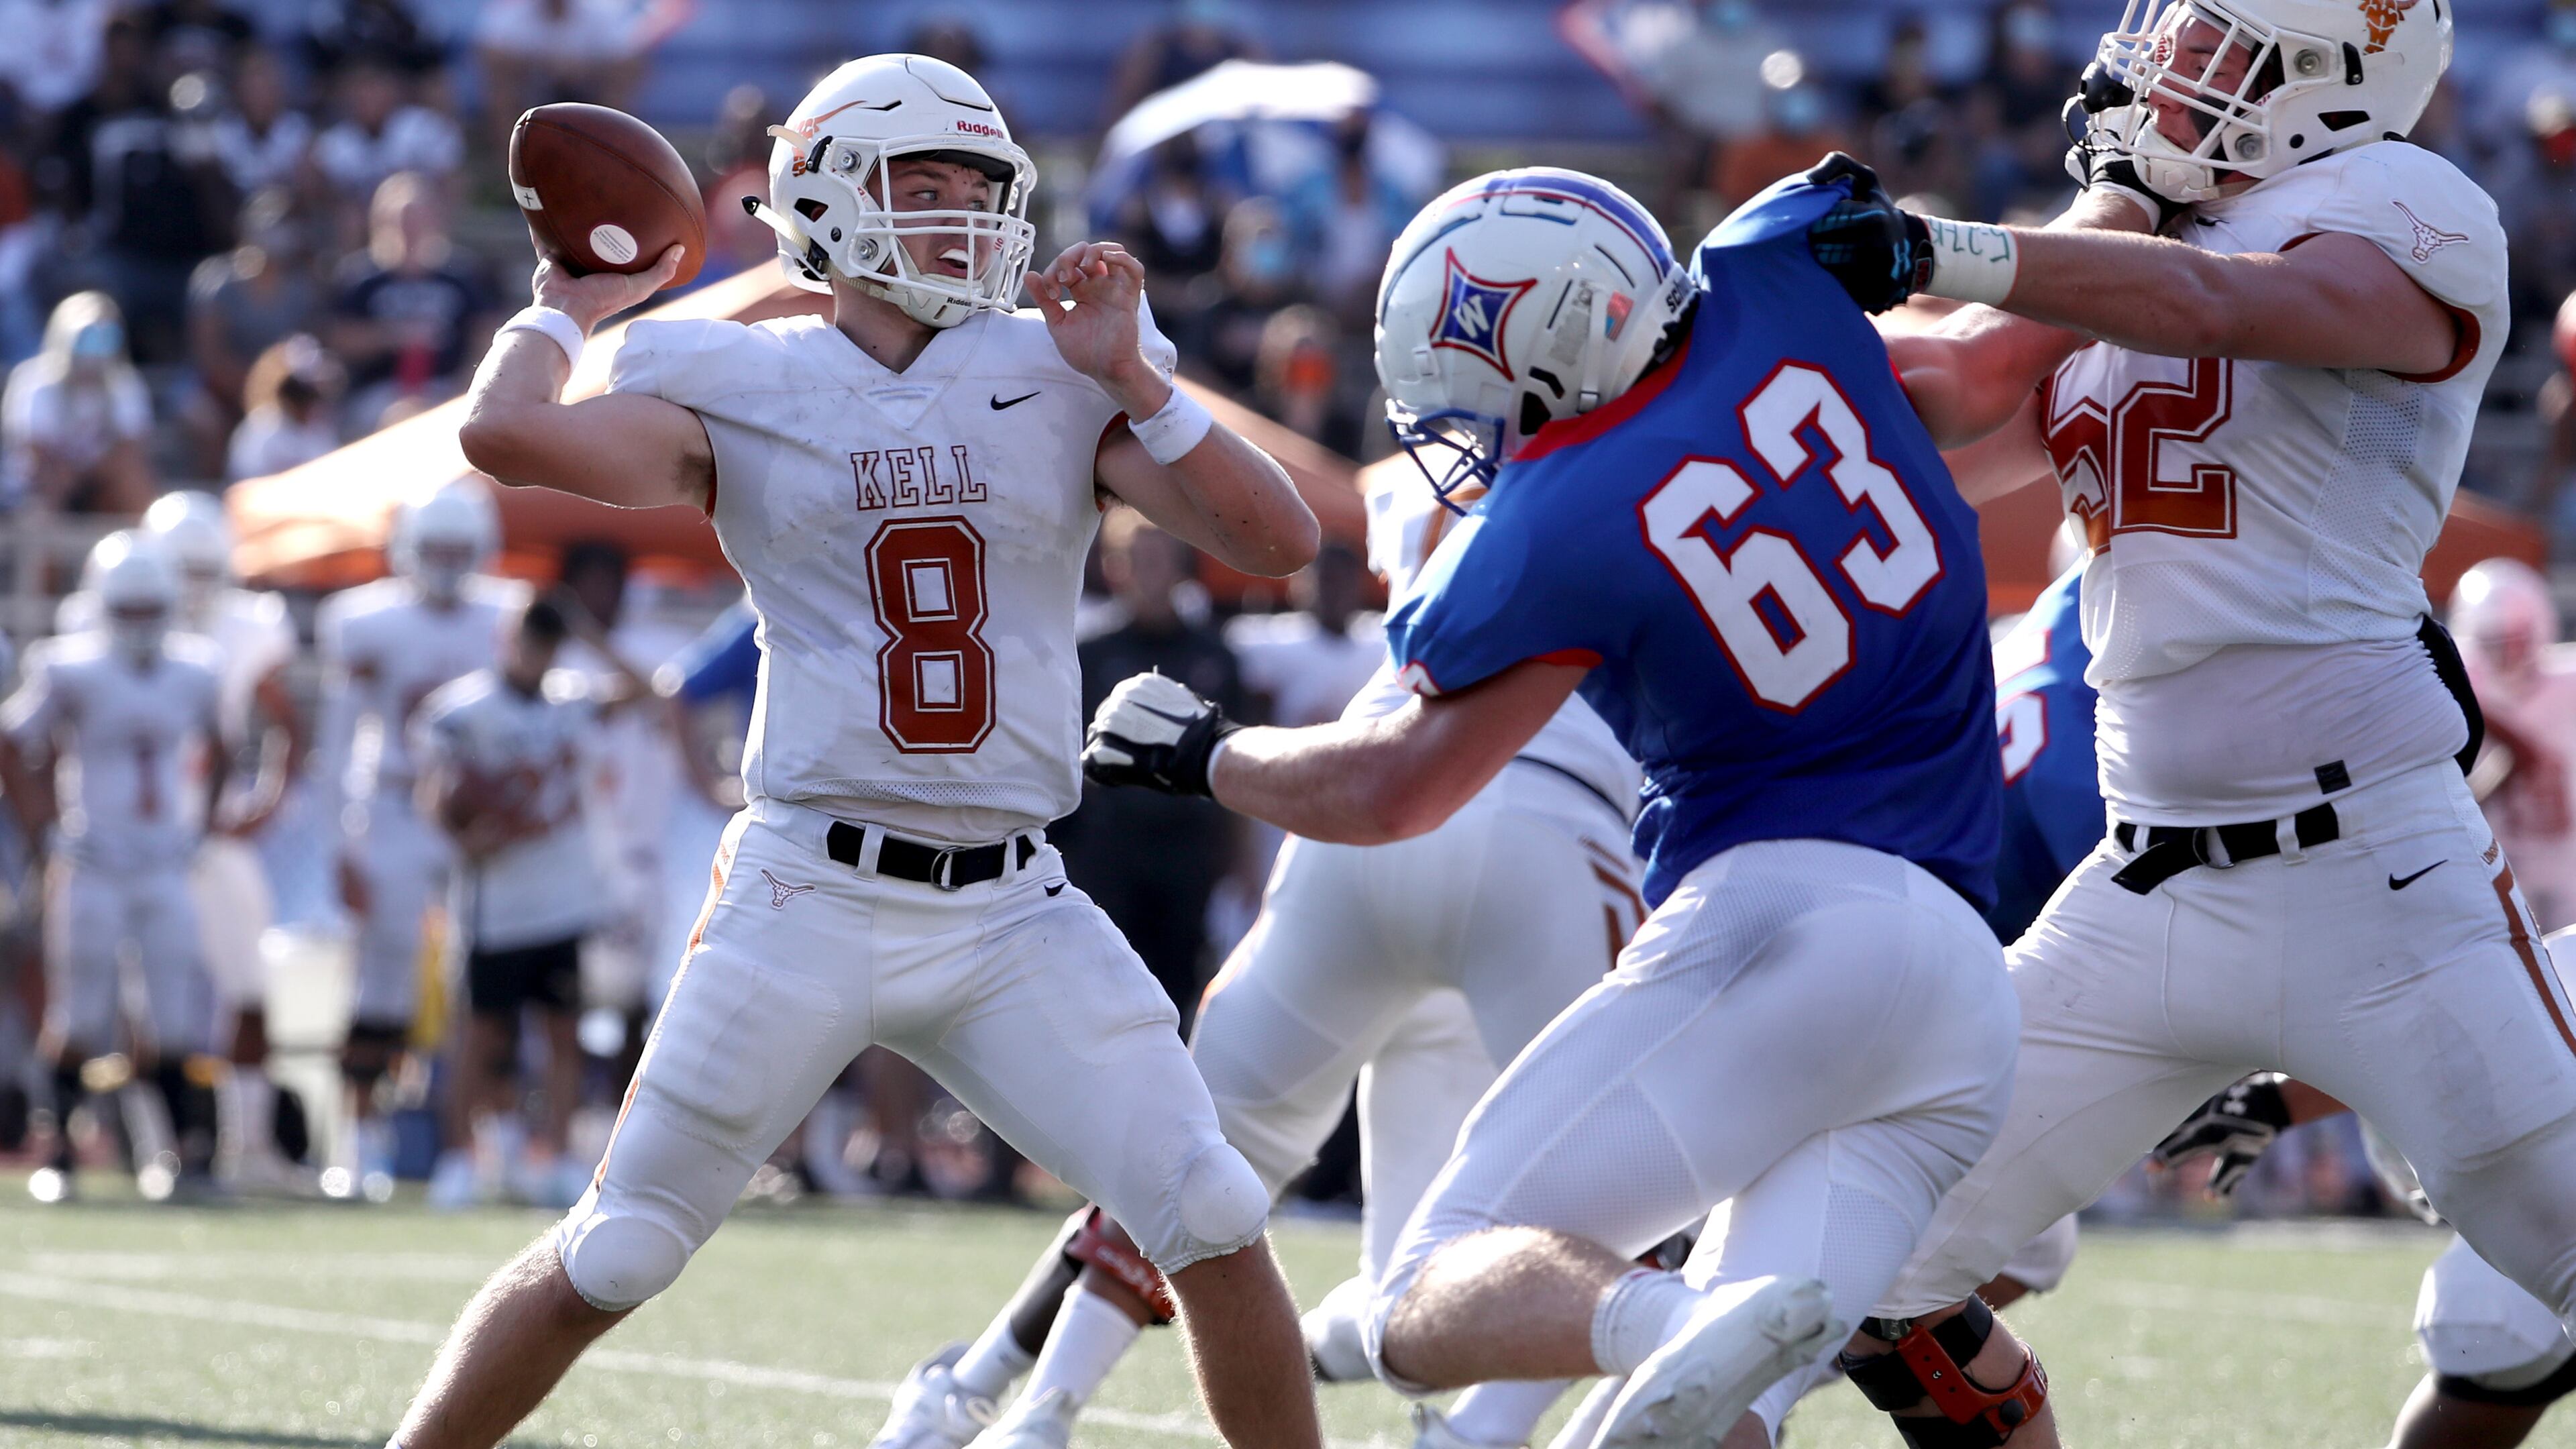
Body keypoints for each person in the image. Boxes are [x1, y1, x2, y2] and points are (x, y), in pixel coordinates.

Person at [381, 52, 1322, 1449]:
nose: (959, 215)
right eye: (922, 183)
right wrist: (568, 305)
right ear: (825, 199)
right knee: (622, 1249)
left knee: (1215, 1212)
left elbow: (1280, 541)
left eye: (976, 186)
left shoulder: (1059, 375)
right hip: (805, 891)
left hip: (1012, 903)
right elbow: (505, 433)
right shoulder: (736, 375)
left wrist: (1142, 381)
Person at [1082, 162, 2015, 1449]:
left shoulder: (1562, 508)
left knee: (1422, 1293)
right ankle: (1686, 1335)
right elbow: (1984, 344)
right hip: (1967, 987)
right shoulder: (1772, 266)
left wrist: (1207, 753)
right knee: (1710, 1419)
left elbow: (1394, 785)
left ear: (1552, 356)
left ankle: (1662, 1320)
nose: (1469, 431)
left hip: (1791, 918)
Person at [1783, 0, 2576, 1440]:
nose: (2172, 77)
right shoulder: (2139, 238)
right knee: (1852, 1262)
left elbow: (2226, 309)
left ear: (2341, 83)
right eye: (2179, 43)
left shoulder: (2407, 204)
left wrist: (1948, 243)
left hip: (2377, 876)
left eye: (2226, 55)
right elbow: (1949, 396)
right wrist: (1735, 328)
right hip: (2146, 885)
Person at [875, 452, 1647, 1449]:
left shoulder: (1407, 482)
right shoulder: (1650, 467)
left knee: (1198, 1170)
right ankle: (1475, 1438)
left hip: (1359, 820)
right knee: (1627, 1199)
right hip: (1554, 826)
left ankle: (1018, 1411)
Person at [59, 491, 307, 1191]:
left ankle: (249, 1145)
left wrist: (264, 804)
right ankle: (160, 1151)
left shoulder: (243, 628)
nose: (192, 587)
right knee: (145, 1002)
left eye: (204, 569)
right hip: (130, 841)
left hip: (208, 836)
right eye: (180, 569)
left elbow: (283, 720)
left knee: (249, 989)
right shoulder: (98, 624)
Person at [0, 533, 229, 1203]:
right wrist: (45, 828)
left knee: (177, 1016)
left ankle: (185, 1154)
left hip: (162, 861)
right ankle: (63, 1151)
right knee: (82, 1015)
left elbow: (222, 743)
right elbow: (14, 742)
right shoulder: (70, 668)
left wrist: (203, 825)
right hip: (94, 860)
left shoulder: (197, 669)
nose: (138, 622)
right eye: (125, 609)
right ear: (103, 605)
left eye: (148, 607)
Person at [313, 480, 521, 1203]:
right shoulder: (368, 622)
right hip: (397, 808)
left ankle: (489, 1139)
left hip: (477, 814)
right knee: (382, 975)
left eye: (458, 550)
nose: (445, 563)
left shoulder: (506, 615)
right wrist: (340, 842)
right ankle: (358, 1136)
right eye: (433, 548)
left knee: (491, 974)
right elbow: (339, 741)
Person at [417, 592, 651, 1211]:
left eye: (547, 641)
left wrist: (584, 630)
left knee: (561, 1032)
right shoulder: (462, 710)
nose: (536, 652)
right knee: (482, 1033)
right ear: (504, 636)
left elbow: (646, 689)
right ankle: (459, 1156)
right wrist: (466, 836)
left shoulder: (572, 697)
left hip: (562, 898)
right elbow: (437, 794)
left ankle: (554, 1156)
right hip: (497, 901)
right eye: (529, 637)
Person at [1056, 513, 1247, 1025]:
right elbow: (1059, 760)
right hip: (1108, 852)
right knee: (1099, 993)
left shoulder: (1216, 656)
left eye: (1161, 557)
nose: (1149, 571)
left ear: (1182, 566)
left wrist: (1240, 863)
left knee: (1177, 994)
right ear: (1115, 568)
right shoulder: (1090, 655)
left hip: (1187, 852)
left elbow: (1238, 761)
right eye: (1138, 558)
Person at [2448, 559, 2576, 932]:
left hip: (2567, 852)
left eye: (2513, 640)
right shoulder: (2465, 691)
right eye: (2492, 643)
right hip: (2504, 853)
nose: (2504, 654)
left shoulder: (2567, 680)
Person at [329, 171, 495, 428]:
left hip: (446, 386)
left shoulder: (461, 276)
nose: (410, 228)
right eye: (402, 220)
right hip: (381, 390)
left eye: (417, 219)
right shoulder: (361, 277)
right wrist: (393, 336)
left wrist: (464, 387)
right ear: (381, 222)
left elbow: (485, 335)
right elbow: (340, 339)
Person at [1, 291, 155, 513]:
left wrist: (89, 474)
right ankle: (46, 547)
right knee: (47, 490)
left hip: (100, 484)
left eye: (108, 337)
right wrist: (70, 475)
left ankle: (140, 547)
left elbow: (132, 448)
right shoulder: (34, 382)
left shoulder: (125, 384)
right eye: (88, 337)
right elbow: (36, 454)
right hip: (42, 486)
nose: (97, 350)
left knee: (134, 479)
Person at [227, 333, 345, 481]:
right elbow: (245, 485)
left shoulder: (321, 428)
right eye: (301, 392)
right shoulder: (262, 429)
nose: (310, 400)